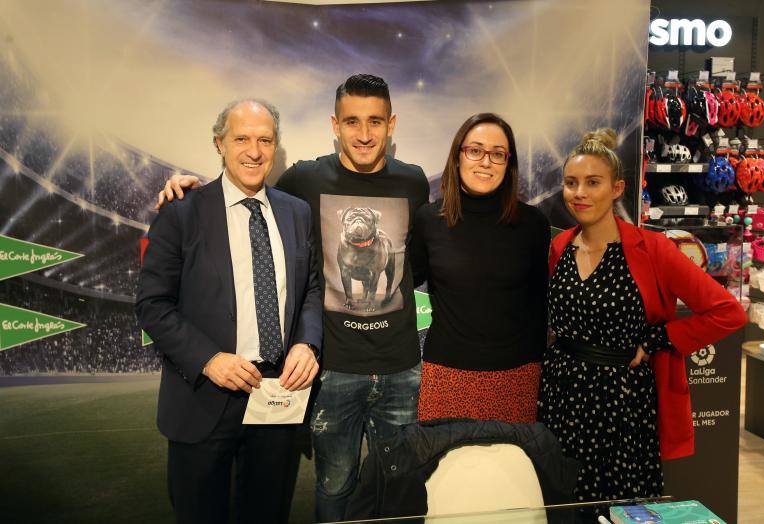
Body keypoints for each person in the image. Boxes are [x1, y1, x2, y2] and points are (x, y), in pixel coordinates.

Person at [154, 74, 429, 522]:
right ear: (334, 124)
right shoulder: (302, 180)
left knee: (395, 493)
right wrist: (185, 186)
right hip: (308, 376)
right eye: (352, 121)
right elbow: (241, 190)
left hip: (358, 377)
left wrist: (307, 341)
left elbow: (400, 262)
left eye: (375, 121)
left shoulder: (411, 184)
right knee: (330, 488)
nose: (364, 133)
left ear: (391, 124)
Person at [537, 128, 747, 515]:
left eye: (592, 182)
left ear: (617, 189)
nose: (578, 193)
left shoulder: (652, 250)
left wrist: (660, 338)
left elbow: (728, 312)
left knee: (620, 510)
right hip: (561, 397)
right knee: (560, 505)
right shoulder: (559, 246)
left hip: (623, 407)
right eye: (571, 183)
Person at [136, 99, 322, 524]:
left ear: (276, 147)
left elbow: (310, 289)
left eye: (265, 140)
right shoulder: (182, 212)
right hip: (203, 400)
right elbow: (152, 304)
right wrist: (209, 359)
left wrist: (307, 343)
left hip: (276, 400)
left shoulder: (297, 213)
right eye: (241, 139)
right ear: (219, 143)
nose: (254, 151)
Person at [410, 113, 550, 423]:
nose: (485, 161)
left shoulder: (533, 224)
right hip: (447, 375)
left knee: (510, 471)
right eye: (475, 150)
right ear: (458, 155)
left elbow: (541, 305)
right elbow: (404, 284)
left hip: (517, 376)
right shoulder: (428, 220)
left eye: (497, 153)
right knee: (448, 469)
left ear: (508, 163)